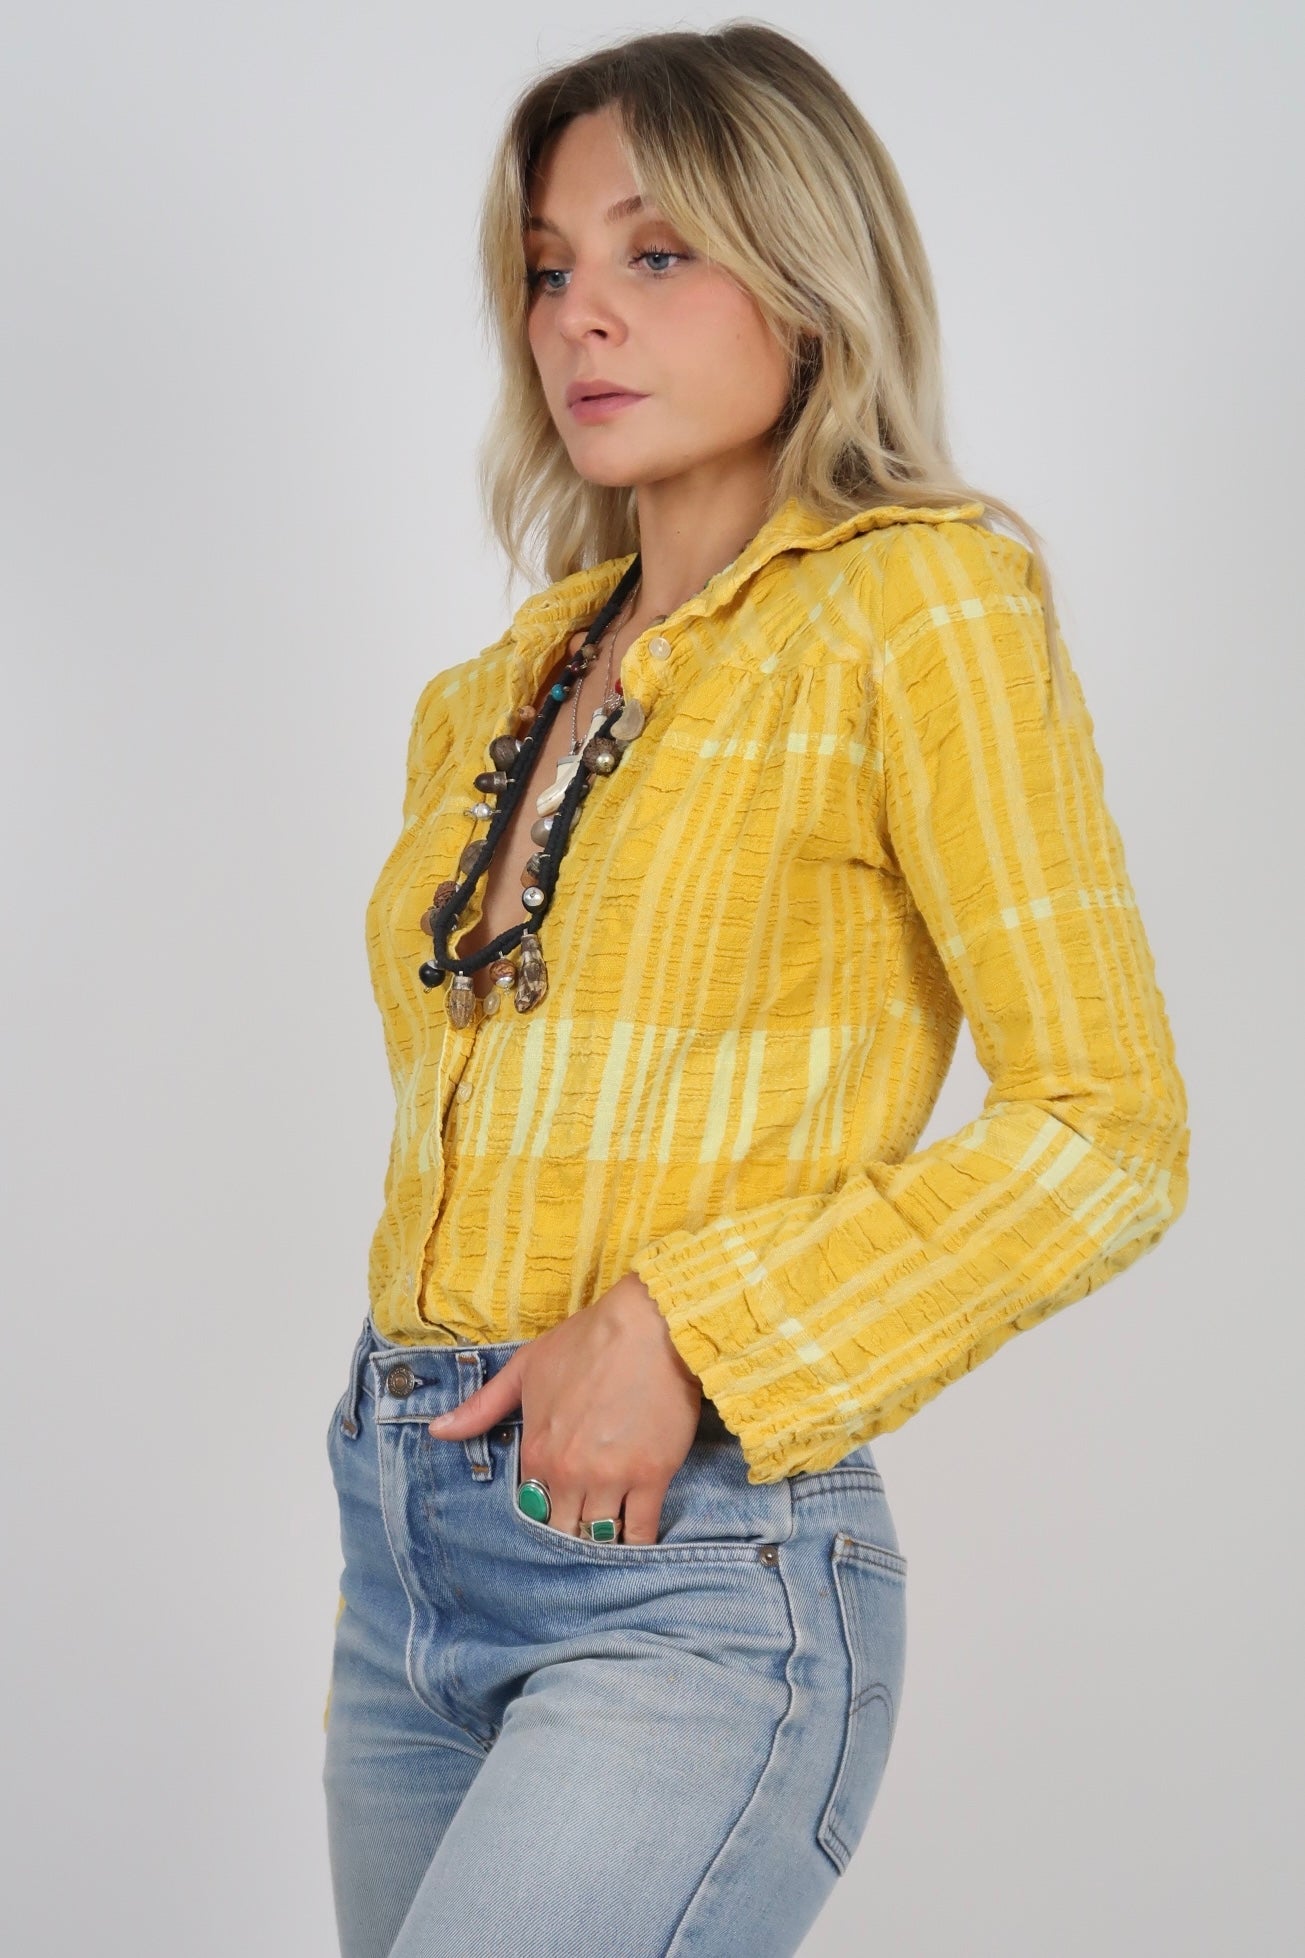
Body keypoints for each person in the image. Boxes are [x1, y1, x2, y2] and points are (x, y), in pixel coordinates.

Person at [320, 23, 1189, 1958]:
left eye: (656, 253)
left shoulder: (921, 602)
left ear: (806, 280)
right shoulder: (495, 688)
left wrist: (685, 1326)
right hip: (403, 1551)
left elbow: (1107, 1127)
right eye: (548, 267)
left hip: (690, 1570)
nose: (579, 316)